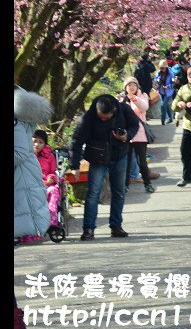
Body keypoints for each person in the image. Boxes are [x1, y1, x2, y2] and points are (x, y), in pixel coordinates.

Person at [69, 94, 140, 240]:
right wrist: (74, 165)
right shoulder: (88, 117)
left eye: (106, 117)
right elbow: (76, 141)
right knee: (93, 193)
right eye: (100, 116)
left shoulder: (123, 109)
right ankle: (88, 228)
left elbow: (135, 124)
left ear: (114, 111)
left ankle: (116, 226)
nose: (102, 119)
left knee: (119, 192)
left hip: (119, 155)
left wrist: (127, 136)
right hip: (97, 158)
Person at [15, 86, 53, 241]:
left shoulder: (16, 121)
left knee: (27, 210)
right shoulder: (21, 117)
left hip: (21, 175)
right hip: (24, 174)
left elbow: (19, 153)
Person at [119, 77, 156, 193]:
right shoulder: (122, 99)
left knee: (142, 162)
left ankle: (148, 184)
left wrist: (134, 99)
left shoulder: (142, 96)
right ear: (125, 87)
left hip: (140, 134)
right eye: (129, 85)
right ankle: (125, 185)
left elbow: (144, 107)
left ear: (137, 86)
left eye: (134, 85)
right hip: (126, 135)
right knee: (127, 161)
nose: (132, 87)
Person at [32, 130, 62, 227]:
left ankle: (51, 219)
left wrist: (50, 179)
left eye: (41, 142)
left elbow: (53, 172)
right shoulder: (25, 155)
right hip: (29, 186)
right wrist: (33, 154)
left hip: (46, 184)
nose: (37, 144)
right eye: (35, 141)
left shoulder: (50, 156)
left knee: (54, 190)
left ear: (45, 144)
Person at [154, 59, 175, 125]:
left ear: (166, 67)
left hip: (169, 91)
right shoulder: (158, 72)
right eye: (160, 68)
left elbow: (173, 82)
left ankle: (162, 121)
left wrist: (168, 85)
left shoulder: (170, 73)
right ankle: (170, 118)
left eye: (162, 68)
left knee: (163, 105)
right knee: (166, 105)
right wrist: (157, 80)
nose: (161, 69)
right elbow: (155, 79)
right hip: (161, 91)